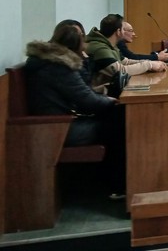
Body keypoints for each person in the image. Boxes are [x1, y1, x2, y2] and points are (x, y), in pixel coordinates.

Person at [25, 24, 126, 198]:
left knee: (115, 116)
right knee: (119, 121)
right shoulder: (58, 66)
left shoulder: (48, 61)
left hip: (55, 122)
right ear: (77, 45)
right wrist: (110, 101)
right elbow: (87, 100)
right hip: (57, 128)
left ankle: (114, 182)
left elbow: (83, 94)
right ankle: (117, 185)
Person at [86, 14, 166, 96]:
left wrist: (152, 63)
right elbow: (120, 71)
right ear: (118, 32)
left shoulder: (109, 44)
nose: (124, 32)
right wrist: (149, 65)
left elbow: (125, 61)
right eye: (123, 29)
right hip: (101, 95)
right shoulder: (100, 48)